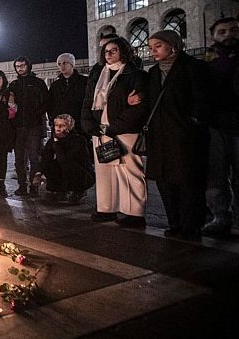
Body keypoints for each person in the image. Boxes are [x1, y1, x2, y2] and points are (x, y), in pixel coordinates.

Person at [145, 30, 209, 240]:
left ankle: (191, 226)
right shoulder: (154, 72)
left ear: (173, 46)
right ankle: (175, 223)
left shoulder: (192, 67)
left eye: (158, 46)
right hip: (160, 137)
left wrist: (193, 121)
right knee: (165, 181)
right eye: (151, 47)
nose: (153, 51)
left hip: (185, 137)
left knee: (188, 182)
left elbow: (203, 99)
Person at [82, 36, 150, 227]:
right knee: (105, 171)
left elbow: (138, 107)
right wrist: (89, 125)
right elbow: (88, 101)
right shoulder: (98, 74)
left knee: (130, 171)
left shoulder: (134, 75)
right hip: (100, 131)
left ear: (124, 51)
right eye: (106, 51)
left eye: (114, 50)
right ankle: (106, 208)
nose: (109, 54)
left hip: (124, 131)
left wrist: (113, 127)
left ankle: (134, 212)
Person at [203, 17, 239, 235]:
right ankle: (220, 216)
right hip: (215, 125)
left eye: (234, 30)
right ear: (213, 36)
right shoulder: (207, 62)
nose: (228, 35)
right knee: (215, 175)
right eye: (222, 31)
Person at [9, 57, 49, 196]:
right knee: (19, 159)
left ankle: (34, 186)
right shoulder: (13, 85)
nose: (19, 68)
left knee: (34, 157)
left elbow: (46, 102)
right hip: (18, 127)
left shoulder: (38, 83)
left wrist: (36, 114)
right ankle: (21, 185)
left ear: (28, 66)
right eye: (17, 66)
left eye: (22, 65)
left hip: (34, 126)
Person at [32, 114, 93, 203]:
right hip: (65, 168)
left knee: (67, 165)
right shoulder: (53, 140)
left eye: (63, 125)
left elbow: (65, 160)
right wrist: (38, 174)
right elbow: (45, 157)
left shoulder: (78, 140)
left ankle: (79, 191)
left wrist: (56, 144)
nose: (59, 128)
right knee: (50, 165)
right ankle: (59, 191)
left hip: (81, 173)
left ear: (69, 127)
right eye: (57, 125)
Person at [48, 53, 88, 128]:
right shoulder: (55, 85)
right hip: (60, 125)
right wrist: (52, 119)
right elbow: (50, 104)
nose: (62, 66)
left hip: (80, 124)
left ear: (72, 64)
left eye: (64, 63)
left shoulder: (84, 82)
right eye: (59, 64)